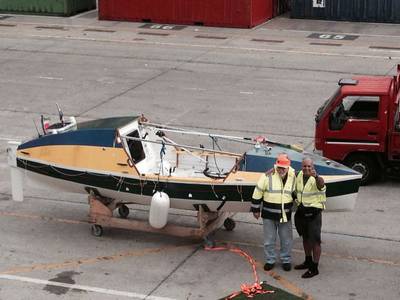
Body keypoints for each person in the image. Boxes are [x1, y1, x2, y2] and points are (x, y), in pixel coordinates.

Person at [251, 154, 296, 271]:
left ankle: (286, 260)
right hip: (268, 215)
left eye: (283, 168)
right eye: (279, 167)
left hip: (285, 215)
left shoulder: (294, 176)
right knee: (269, 240)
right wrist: (255, 209)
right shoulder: (267, 175)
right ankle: (270, 260)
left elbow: (296, 192)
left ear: (288, 167)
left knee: (286, 240)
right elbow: (258, 192)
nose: (281, 170)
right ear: (276, 165)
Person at [294, 157, 326, 278]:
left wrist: (316, 176)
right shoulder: (298, 175)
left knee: (315, 242)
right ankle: (308, 261)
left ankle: (314, 268)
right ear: (301, 167)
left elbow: (321, 184)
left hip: (314, 215)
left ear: (313, 167)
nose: (307, 168)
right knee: (305, 238)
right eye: (304, 166)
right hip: (302, 213)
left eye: (309, 166)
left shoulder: (316, 179)